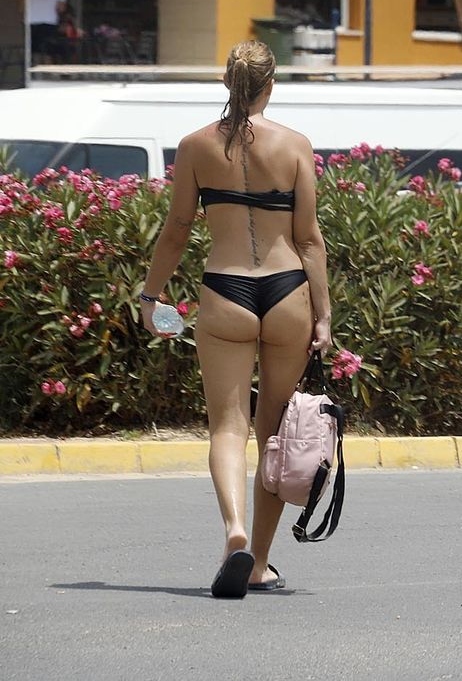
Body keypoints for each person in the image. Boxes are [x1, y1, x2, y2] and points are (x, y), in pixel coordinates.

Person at [139, 40, 332, 598]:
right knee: (275, 432)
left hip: (224, 289)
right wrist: (323, 315)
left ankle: (235, 532)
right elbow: (310, 240)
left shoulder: (195, 146)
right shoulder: (295, 146)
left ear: (227, 84)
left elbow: (176, 232)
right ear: (270, 86)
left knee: (228, 426)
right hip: (287, 290)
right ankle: (259, 563)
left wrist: (153, 297)